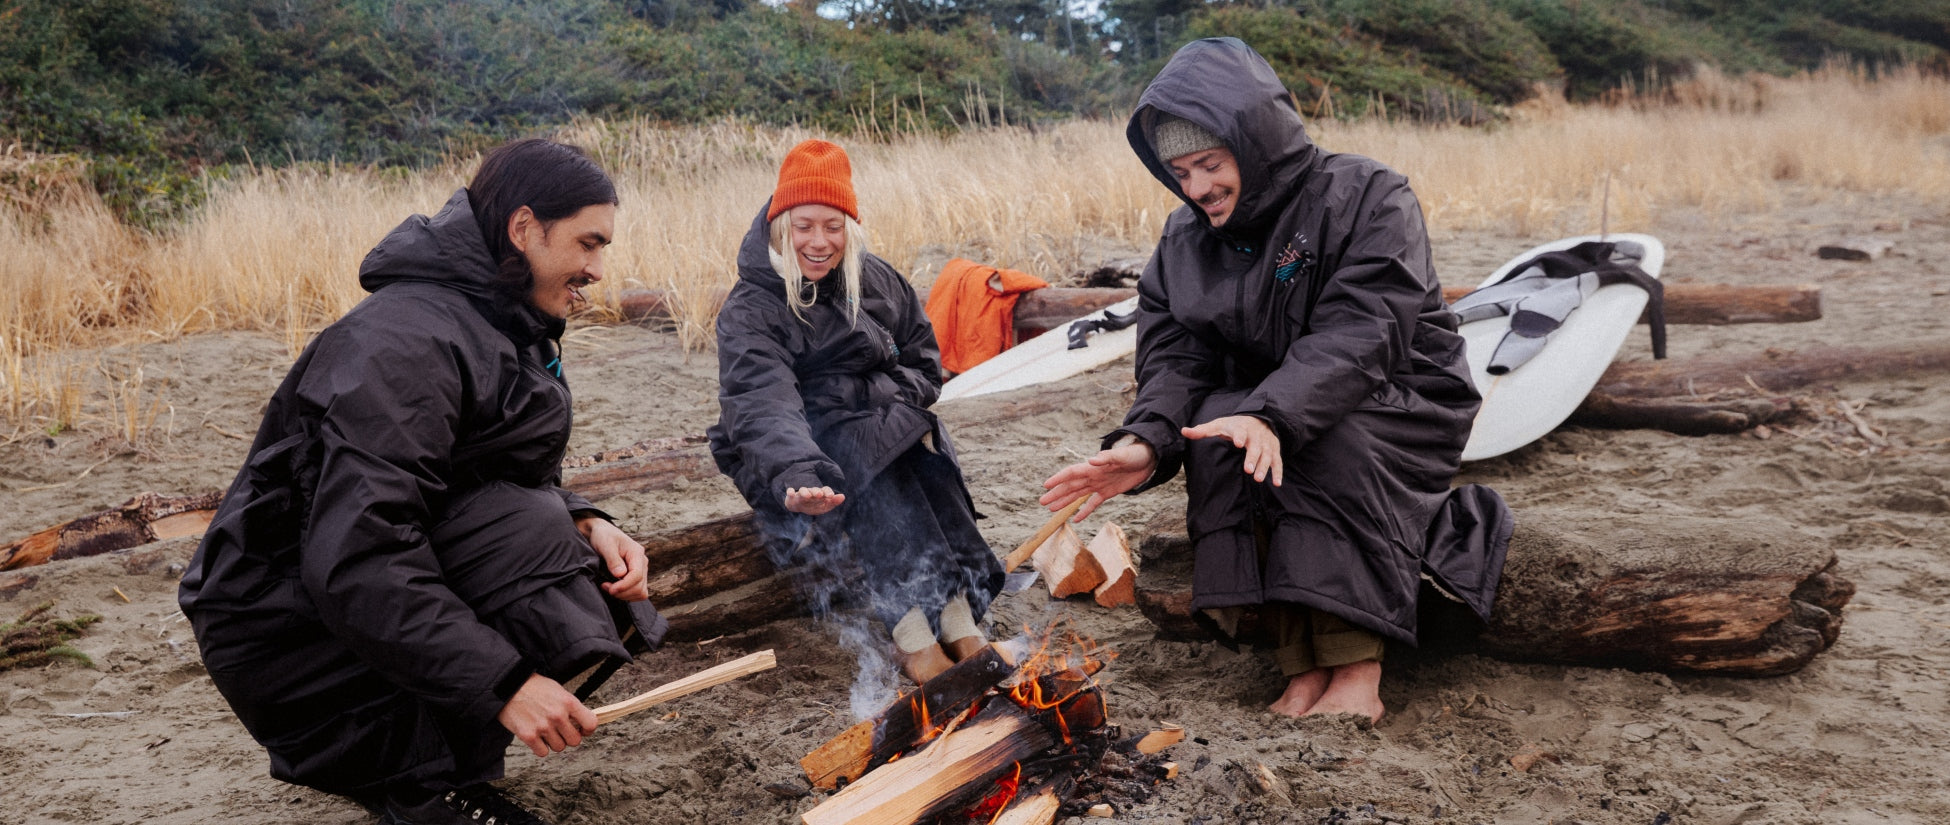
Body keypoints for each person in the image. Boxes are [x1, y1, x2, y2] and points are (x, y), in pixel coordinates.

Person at [179, 138, 667, 825]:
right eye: (587, 244)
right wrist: (507, 683)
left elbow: (485, 475)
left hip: (326, 594)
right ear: (524, 228)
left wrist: (588, 517)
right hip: (280, 631)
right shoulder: (406, 342)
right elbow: (359, 555)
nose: (595, 268)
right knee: (531, 537)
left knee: (554, 534)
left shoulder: (498, 320)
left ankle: (443, 754)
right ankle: (411, 778)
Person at [1039, 38, 1511, 723]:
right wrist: (1147, 442)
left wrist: (1274, 413)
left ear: (1256, 143)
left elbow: (1365, 331)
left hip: (1400, 393)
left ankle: (1355, 669)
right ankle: (1301, 668)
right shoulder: (1182, 240)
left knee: (1317, 440)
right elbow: (1175, 361)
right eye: (1181, 172)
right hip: (1270, 402)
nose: (1197, 188)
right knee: (1219, 440)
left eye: (1209, 164)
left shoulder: (1368, 195)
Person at [708, 139, 1004, 686]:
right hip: (795, 452)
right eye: (803, 226)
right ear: (779, 227)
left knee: (921, 459)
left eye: (833, 225)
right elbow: (761, 401)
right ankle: (914, 638)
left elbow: (923, 361)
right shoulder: (752, 307)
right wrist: (796, 473)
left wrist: (892, 401)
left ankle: (958, 616)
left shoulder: (878, 279)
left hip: (873, 423)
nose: (819, 242)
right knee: (875, 467)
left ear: (851, 227)